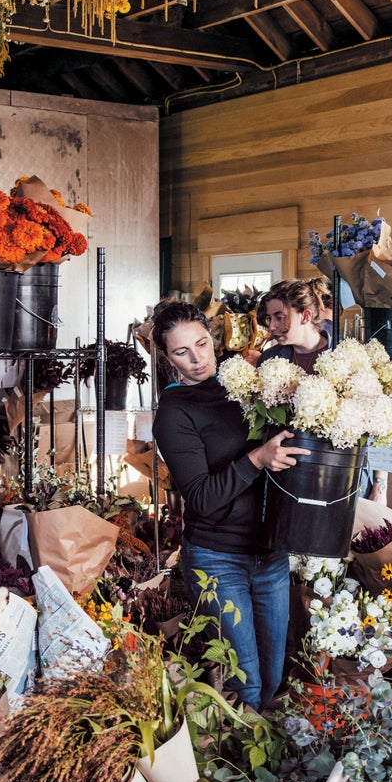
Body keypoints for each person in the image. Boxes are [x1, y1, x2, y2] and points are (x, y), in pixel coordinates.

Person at [150, 299, 310, 711]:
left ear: (213, 338)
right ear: (167, 358)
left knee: (275, 677)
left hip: (269, 551)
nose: (197, 358)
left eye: (202, 344)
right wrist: (257, 459)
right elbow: (200, 498)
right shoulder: (173, 411)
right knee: (248, 684)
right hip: (217, 560)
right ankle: (241, 768)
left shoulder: (243, 383)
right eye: (182, 352)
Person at [258, 278, 330, 373]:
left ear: (306, 316)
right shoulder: (267, 359)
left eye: (279, 317)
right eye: (269, 318)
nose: (271, 327)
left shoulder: (342, 355)